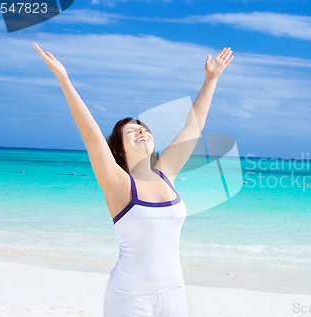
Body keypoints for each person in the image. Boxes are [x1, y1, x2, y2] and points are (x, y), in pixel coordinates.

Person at [34, 42, 234, 317]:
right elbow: (91, 135)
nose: (142, 132)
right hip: (130, 297)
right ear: (118, 149)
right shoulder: (118, 184)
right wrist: (64, 79)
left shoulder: (168, 173)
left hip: (174, 293)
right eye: (132, 131)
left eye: (144, 128)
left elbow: (193, 126)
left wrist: (211, 79)